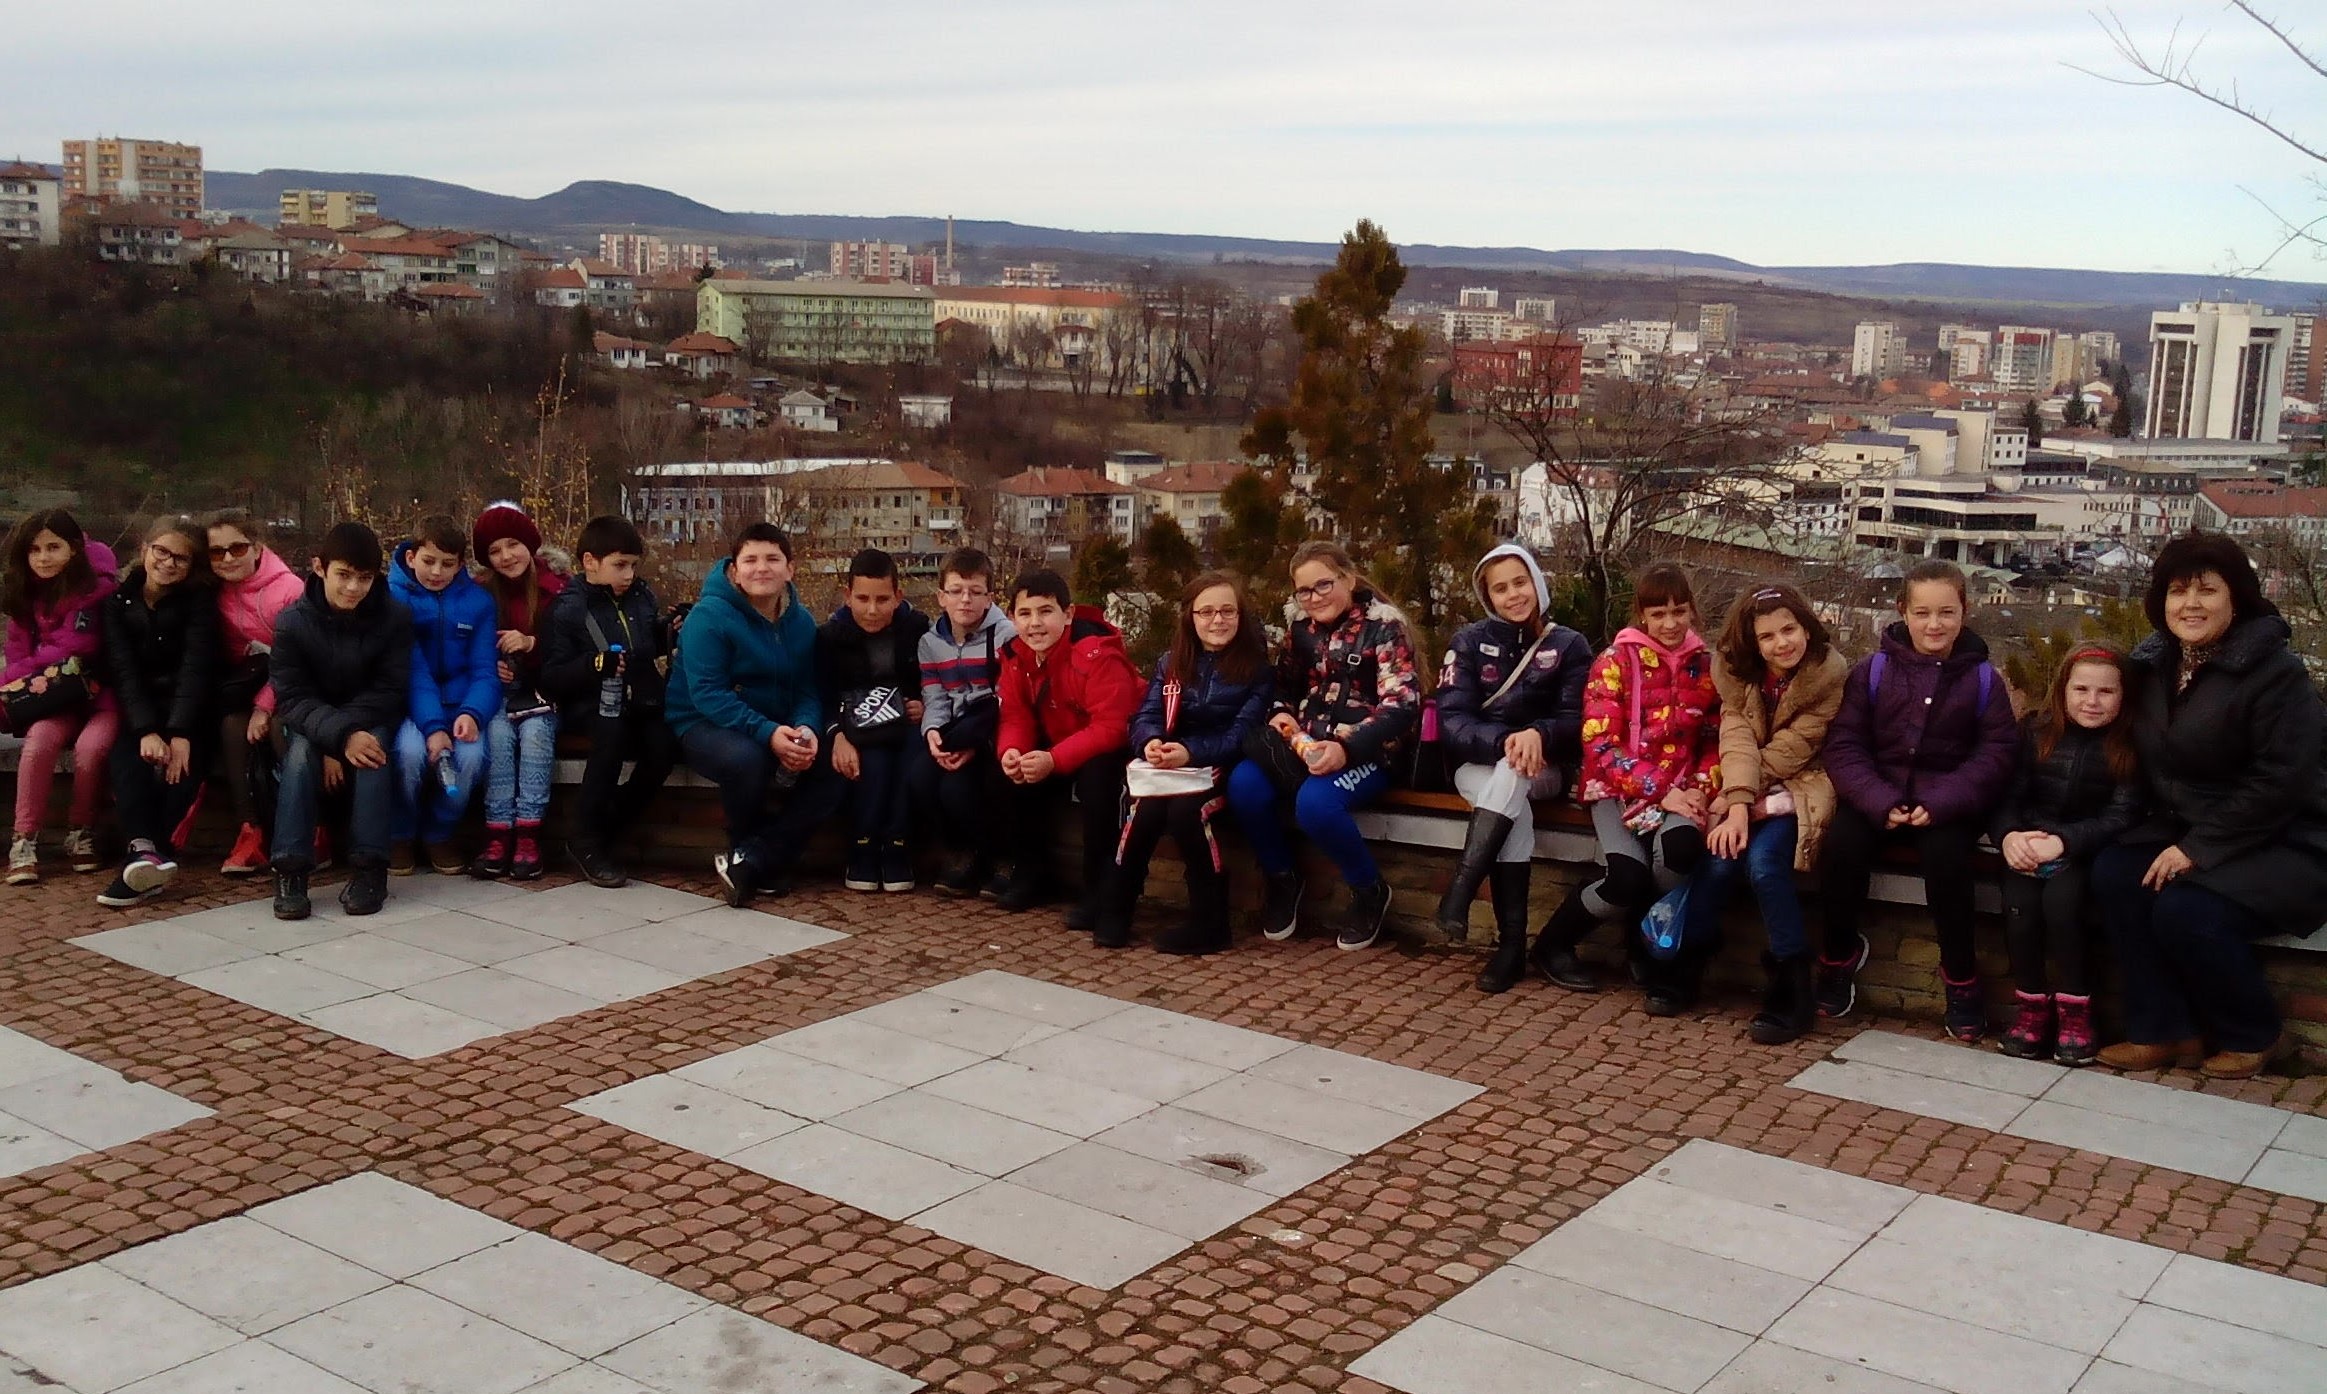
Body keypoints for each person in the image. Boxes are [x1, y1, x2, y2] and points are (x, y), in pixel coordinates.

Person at [2094, 534, 2327, 1080]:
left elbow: (2281, 781)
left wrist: (2196, 849)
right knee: (2115, 874)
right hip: (2191, 827)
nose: (2191, 604)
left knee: (2187, 910)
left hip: (2288, 837)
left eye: (2207, 590)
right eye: (2178, 591)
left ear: (2235, 598)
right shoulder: (2154, 665)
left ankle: (2256, 1034)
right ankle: (2165, 1030)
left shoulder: (2277, 674)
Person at [1820, 559, 2018, 1040]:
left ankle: (1961, 978)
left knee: (1948, 863)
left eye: (1946, 612)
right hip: (1878, 795)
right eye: (1923, 612)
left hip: (1948, 804)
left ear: (1964, 612)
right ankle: (1838, 957)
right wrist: (1878, 799)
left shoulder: (1984, 680)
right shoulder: (1873, 671)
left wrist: (1945, 800)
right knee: (1841, 848)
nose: (1934, 624)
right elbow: (1844, 745)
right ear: (1903, 611)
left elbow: (1995, 753)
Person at [1528, 562, 1720, 1004]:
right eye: (1658, 614)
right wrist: (1660, 790)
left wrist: (1700, 786)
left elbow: (1713, 739)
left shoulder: (1706, 667)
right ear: (1642, 615)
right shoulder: (1614, 662)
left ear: (1692, 611)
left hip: (1682, 791)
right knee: (1627, 876)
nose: (1670, 624)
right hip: (1617, 789)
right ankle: (1553, 944)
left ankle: (1644, 941)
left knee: (1681, 851)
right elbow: (1600, 744)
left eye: (1679, 611)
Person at [1225, 542, 1422, 952]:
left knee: (1316, 805)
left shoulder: (1385, 628)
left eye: (1323, 585)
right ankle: (1282, 877)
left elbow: (1402, 704)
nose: (1314, 598)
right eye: (1304, 590)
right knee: (1243, 785)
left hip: (1371, 752)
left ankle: (1369, 890)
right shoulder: (1301, 629)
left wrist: (1346, 748)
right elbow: (1282, 687)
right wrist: (1281, 714)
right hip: (1305, 746)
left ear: (1348, 579)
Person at [1690, 583, 1849, 1043]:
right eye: (1768, 636)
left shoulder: (1827, 676)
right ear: (1752, 643)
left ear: (1806, 628)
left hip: (1801, 788)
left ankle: (1792, 984)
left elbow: (1794, 749)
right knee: (1720, 860)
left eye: (1789, 630)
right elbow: (1736, 736)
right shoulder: (1738, 675)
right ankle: (1689, 958)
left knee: (1763, 865)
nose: (1782, 643)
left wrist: (1739, 801)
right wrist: (1739, 803)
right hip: (1744, 786)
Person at [1434, 543, 1593, 992]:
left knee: (1516, 772)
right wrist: (1506, 741)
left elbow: (1577, 720)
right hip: (1476, 767)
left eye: (1520, 582)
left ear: (1537, 583)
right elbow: (1452, 720)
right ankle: (1511, 949)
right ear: (1488, 597)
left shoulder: (1569, 645)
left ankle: (1462, 892)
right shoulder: (1467, 642)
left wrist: (1538, 734)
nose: (1513, 595)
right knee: (1511, 789)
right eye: (1500, 589)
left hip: (1546, 770)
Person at [667, 523, 843, 907]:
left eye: (772, 559)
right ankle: (746, 848)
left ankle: (754, 860)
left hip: (773, 723)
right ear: (734, 571)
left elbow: (807, 689)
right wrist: (768, 733)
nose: (761, 568)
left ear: (790, 569)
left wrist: (806, 729)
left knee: (833, 763)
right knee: (747, 759)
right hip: (702, 722)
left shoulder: (800, 622)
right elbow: (708, 694)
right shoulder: (708, 617)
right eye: (750, 560)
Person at [1105, 571, 1271, 955]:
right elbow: (1145, 715)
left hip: (1223, 765)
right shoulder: (1171, 663)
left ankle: (1211, 922)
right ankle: (1116, 906)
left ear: (1241, 616)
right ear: (1190, 617)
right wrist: (1150, 742)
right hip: (1172, 763)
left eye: (1227, 611)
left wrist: (1190, 752)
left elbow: (1242, 735)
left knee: (1186, 813)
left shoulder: (1258, 670)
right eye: (1206, 612)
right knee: (1144, 809)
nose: (1217, 620)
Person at [1991, 646, 2142, 1065]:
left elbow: (2122, 814)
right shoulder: (2035, 731)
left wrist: (2066, 841)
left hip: (2085, 852)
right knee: (2019, 910)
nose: (2092, 701)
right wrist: (2009, 837)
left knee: (2064, 908)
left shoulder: (2129, 745)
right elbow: (2007, 796)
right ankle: (2031, 1007)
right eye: (2081, 689)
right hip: (2029, 846)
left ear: (2123, 696)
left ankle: (2076, 1011)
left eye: (2105, 692)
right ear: (2062, 691)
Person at [267, 522, 411, 920]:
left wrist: (348, 734)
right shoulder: (292, 622)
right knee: (300, 756)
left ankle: (370, 869)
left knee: (372, 754)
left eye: (364, 578)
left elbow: (390, 688)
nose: (353, 588)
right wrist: (340, 736)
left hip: (370, 715)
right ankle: (290, 868)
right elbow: (291, 696)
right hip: (310, 719)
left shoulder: (394, 618)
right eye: (343, 575)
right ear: (320, 568)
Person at [993, 569, 1142, 927]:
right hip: (1061, 742)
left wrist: (1053, 759)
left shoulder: (1098, 655)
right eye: (1025, 613)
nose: (1035, 623)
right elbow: (1015, 715)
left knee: (1098, 783)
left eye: (1046, 611)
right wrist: (1012, 750)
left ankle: (1100, 890)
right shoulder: (1015, 655)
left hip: (1112, 748)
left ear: (1068, 613)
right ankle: (1031, 873)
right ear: (1012, 617)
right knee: (1015, 774)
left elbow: (1111, 727)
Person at [536, 514, 676, 888]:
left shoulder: (641, 597)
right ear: (590, 562)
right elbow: (552, 676)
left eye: (633, 566)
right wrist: (594, 665)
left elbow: (645, 647)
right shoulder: (568, 609)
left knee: (665, 746)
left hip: (640, 698)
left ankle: (606, 826)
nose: (628, 575)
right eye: (619, 565)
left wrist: (671, 630)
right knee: (611, 738)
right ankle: (587, 838)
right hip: (589, 703)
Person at [95, 517, 220, 908]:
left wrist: (180, 732)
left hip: (191, 712)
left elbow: (196, 669)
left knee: (181, 773)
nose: (168, 563)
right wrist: (146, 729)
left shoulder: (199, 602)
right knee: (127, 761)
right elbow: (124, 671)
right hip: (142, 710)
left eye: (180, 558)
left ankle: (149, 858)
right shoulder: (117, 603)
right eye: (161, 552)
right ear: (144, 549)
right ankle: (145, 852)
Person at [1, 510, 119, 885]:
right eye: (34, 549)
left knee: (91, 749)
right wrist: (21, 675)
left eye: (53, 547)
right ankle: (24, 839)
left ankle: (82, 830)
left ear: (74, 548)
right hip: (54, 697)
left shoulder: (96, 588)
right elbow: (16, 650)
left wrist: (19, 674)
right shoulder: (26, 592)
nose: (43, 558)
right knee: (38, 743)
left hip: (100, 694)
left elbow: (77, 647)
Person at [386, 515, 500, 874]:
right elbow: (412, 670)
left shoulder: (478, 603)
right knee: (408, 754)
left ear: (460, 564)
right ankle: (401, 832)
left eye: (447, 564)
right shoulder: (392, 598)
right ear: (411, 557)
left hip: (462, 703)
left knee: (472, 758)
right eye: (428, 561)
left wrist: (473, 712)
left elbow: (485, 669)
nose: (436, 572)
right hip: (411, 705)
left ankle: (440, 831)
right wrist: (434, 727)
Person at [818, 548, 930, 895]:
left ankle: (897, 844)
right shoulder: (830, 637)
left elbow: (934, 681)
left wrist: (923, 704)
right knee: (874, 762)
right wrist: (836, 735)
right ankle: (863, 844)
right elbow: (822, 694)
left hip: (906, 727)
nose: (871, 610)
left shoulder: (917, 629)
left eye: (882, 599)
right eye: (862, 598)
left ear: (898, 596)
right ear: (847, 595)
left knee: (912, 759)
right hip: (856, 731)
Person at [204, 510, 308, 877]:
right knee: (231, 727)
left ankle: (312, 828)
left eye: (237, 548)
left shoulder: (289, 589)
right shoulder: (218, 593)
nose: (227, 558)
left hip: (297, 686)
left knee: (282, 728)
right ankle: (251, 831)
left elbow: (297, 658)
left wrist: (264, 706)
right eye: (216, 552)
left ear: (257, 548)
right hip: (252, 683)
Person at [467, 503, 566, 881]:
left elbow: (569, 646)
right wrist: (490, 663)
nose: (506, 556)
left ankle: (528, 833)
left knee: (536, 734)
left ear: (529, 544)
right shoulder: (480, 593)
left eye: (513, 545)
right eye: (495, 550)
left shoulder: (557, 588)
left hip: (545, 692)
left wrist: (531, 644)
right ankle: (498, 831)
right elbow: (467, 647)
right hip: (499, 694)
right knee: (496, 733)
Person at [913, 546, 1015, 897]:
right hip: (955, 730)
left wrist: (975, 745)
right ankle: (961, 852)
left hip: (993, 731)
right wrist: (932, 732)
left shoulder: (1005, 636)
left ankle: (997, 857)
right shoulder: (930, 642)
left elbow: (1007, 698)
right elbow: (935, 696)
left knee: (959, 790)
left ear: (990, 597)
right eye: (956, 591)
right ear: (941, 596)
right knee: (919, 779)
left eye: (975, 591)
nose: (965, 600)